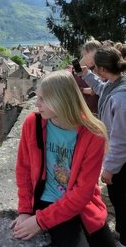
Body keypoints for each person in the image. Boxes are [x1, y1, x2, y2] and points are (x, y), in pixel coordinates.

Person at [11, 70, 115, 247]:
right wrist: (25, 210)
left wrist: (39, 221)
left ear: (61, 100)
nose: (37, 104)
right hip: (46, 201)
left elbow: (83, 191)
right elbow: (24, 169)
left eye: (43, 99)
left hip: (82, 205)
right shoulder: (33, 123)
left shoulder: (93, 135)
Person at [80, 47, 126, 247]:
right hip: (120, 160)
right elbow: (102, 89)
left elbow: (121, 140)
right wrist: (86, 75)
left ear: (102, 69)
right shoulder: (117, 84)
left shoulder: (120, 99)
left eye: (94, 68)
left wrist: (110, 169)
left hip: (122, 164)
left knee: (121, 199)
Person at [69, 39, 102, 115]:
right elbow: (64, 93)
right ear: (84, 52)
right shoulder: (69, 72)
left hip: (95, 116)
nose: (96, 60)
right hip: (77, 115)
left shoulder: (99, 72)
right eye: (95, 56)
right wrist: (83, 90)